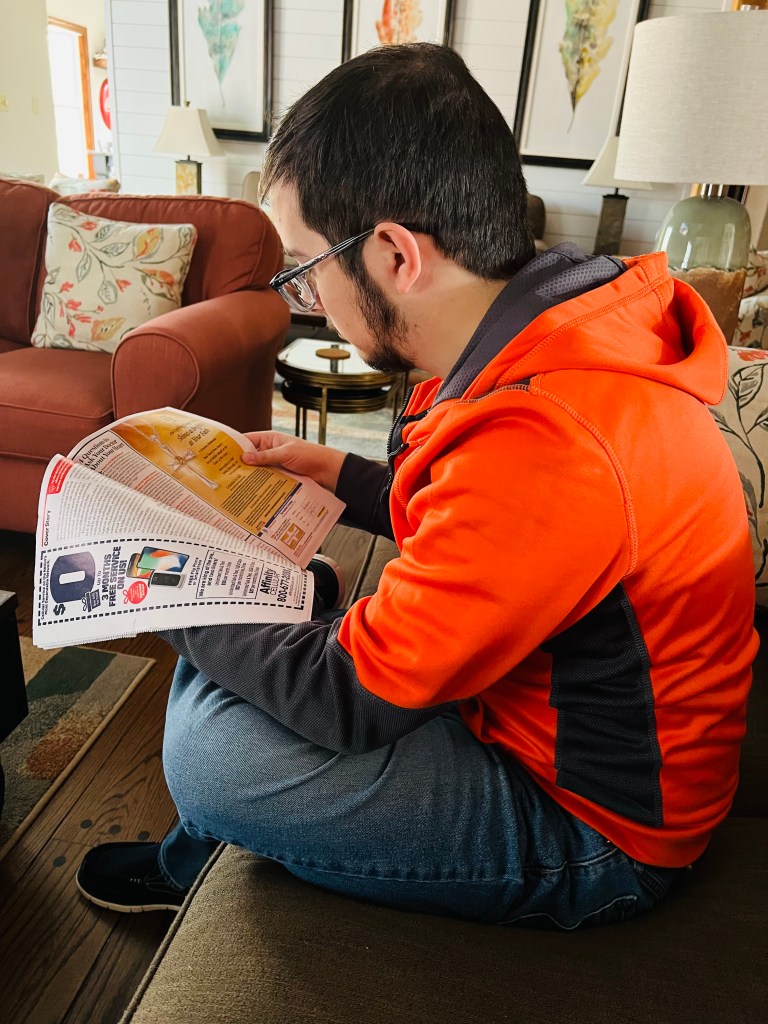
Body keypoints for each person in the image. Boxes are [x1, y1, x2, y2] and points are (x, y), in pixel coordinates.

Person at [76, 43, 757, 929]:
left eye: (305, 268)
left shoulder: (549, 438)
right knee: (256, 639)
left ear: (396, 254)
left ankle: (217, 813)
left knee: (214, 757)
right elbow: (486, 526)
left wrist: (164, 589)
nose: (311, 301)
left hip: (594, 825)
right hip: (512, 702)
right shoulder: (551, 334)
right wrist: (343, 475)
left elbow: (348, 703)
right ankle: (203, 840)